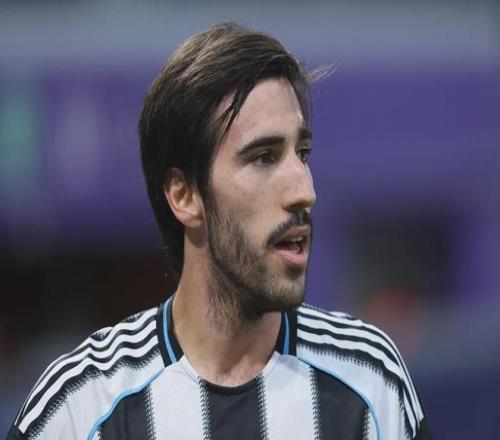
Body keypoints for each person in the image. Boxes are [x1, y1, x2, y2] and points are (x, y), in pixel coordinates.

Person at [7, 23, 432, 440]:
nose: (304, 190)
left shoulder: (369, 382)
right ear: (185, 195)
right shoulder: (82, 406)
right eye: (263, 158)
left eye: (302, 153)